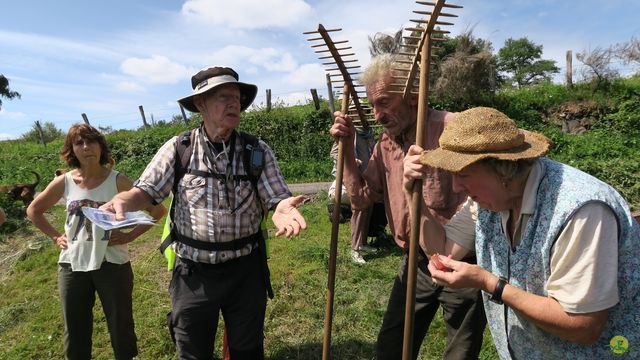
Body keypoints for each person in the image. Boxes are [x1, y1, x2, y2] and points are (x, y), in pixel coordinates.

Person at [100, 66, 307, 359]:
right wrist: (124, 201)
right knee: (192, 351)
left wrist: (282, 208)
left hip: (245, 271)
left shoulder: (256, 150)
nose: (234, 103)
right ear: (200, 105)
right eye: (224, 97)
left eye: (236, 97)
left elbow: (276, 196)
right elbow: (146, 190)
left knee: (247, 350)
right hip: (193, 273)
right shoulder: (179, 147)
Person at [404, 107, 639, 359]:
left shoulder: (581, 210)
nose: (456, 187)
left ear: (502, 169)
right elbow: (443, 251)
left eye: (463, 175)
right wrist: (412, 197)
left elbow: (583, 326)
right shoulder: (487, 201)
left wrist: (490, 283)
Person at [329, 53, 486, 359]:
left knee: (461, 351)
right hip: (415, 262)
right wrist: (347, 150)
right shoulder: (385, 145)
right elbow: (361, 199)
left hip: (464, 261)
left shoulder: (453, 129)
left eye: (384, 102)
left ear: (413, 95)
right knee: (392, 346)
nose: (377, 115)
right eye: (373, 105)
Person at [26, 124, 167, 360]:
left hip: (113, 263)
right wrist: (54, 236)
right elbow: (34, 210)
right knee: (75, 325)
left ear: (101, 146)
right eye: (79, 143)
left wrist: (130, 235)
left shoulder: (118, 181)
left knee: (120, 323)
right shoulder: (65, 181)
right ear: (71, 149)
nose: (85, 147)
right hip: (72, 264)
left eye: (91, 141)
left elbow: (158, 210)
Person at [328, 125, 383, 264]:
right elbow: (335, 153)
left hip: (366, 178)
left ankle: (362, 244)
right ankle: (355, 249)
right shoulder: (346, 131)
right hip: (350, 179)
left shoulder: (367, 133)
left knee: (368, 209)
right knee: (359, 210)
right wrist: (351, 160)